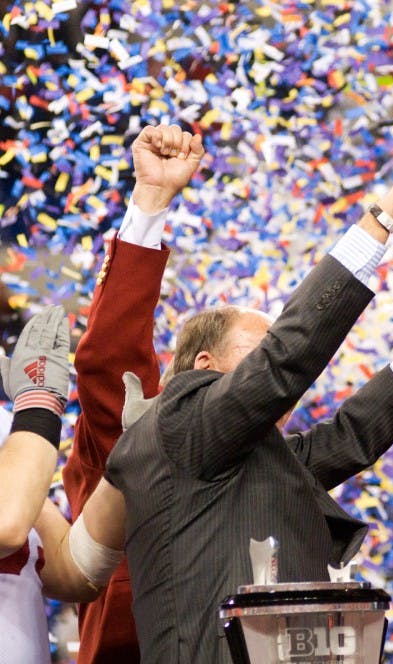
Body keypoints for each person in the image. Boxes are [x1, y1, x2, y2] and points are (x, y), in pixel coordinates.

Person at [93, 125, 393, 664]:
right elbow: (288, 356)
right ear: (204, 366)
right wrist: (384, 217)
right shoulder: (184, 425)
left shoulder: (249, 460)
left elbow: (353, 434)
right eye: (256, 350)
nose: (272, 358)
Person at [60, 122, 198, 664]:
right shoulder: (140, 433)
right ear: (206, 365)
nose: (271, 374)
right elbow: (109, 355)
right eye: (257, 356)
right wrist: (151, 203)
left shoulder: (265, 460)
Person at [0, 304, 74, 663]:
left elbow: (72, 574)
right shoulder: (22, 425)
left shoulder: (5, 428)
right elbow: (6, 527)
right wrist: (39, 405)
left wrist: (134, 451)